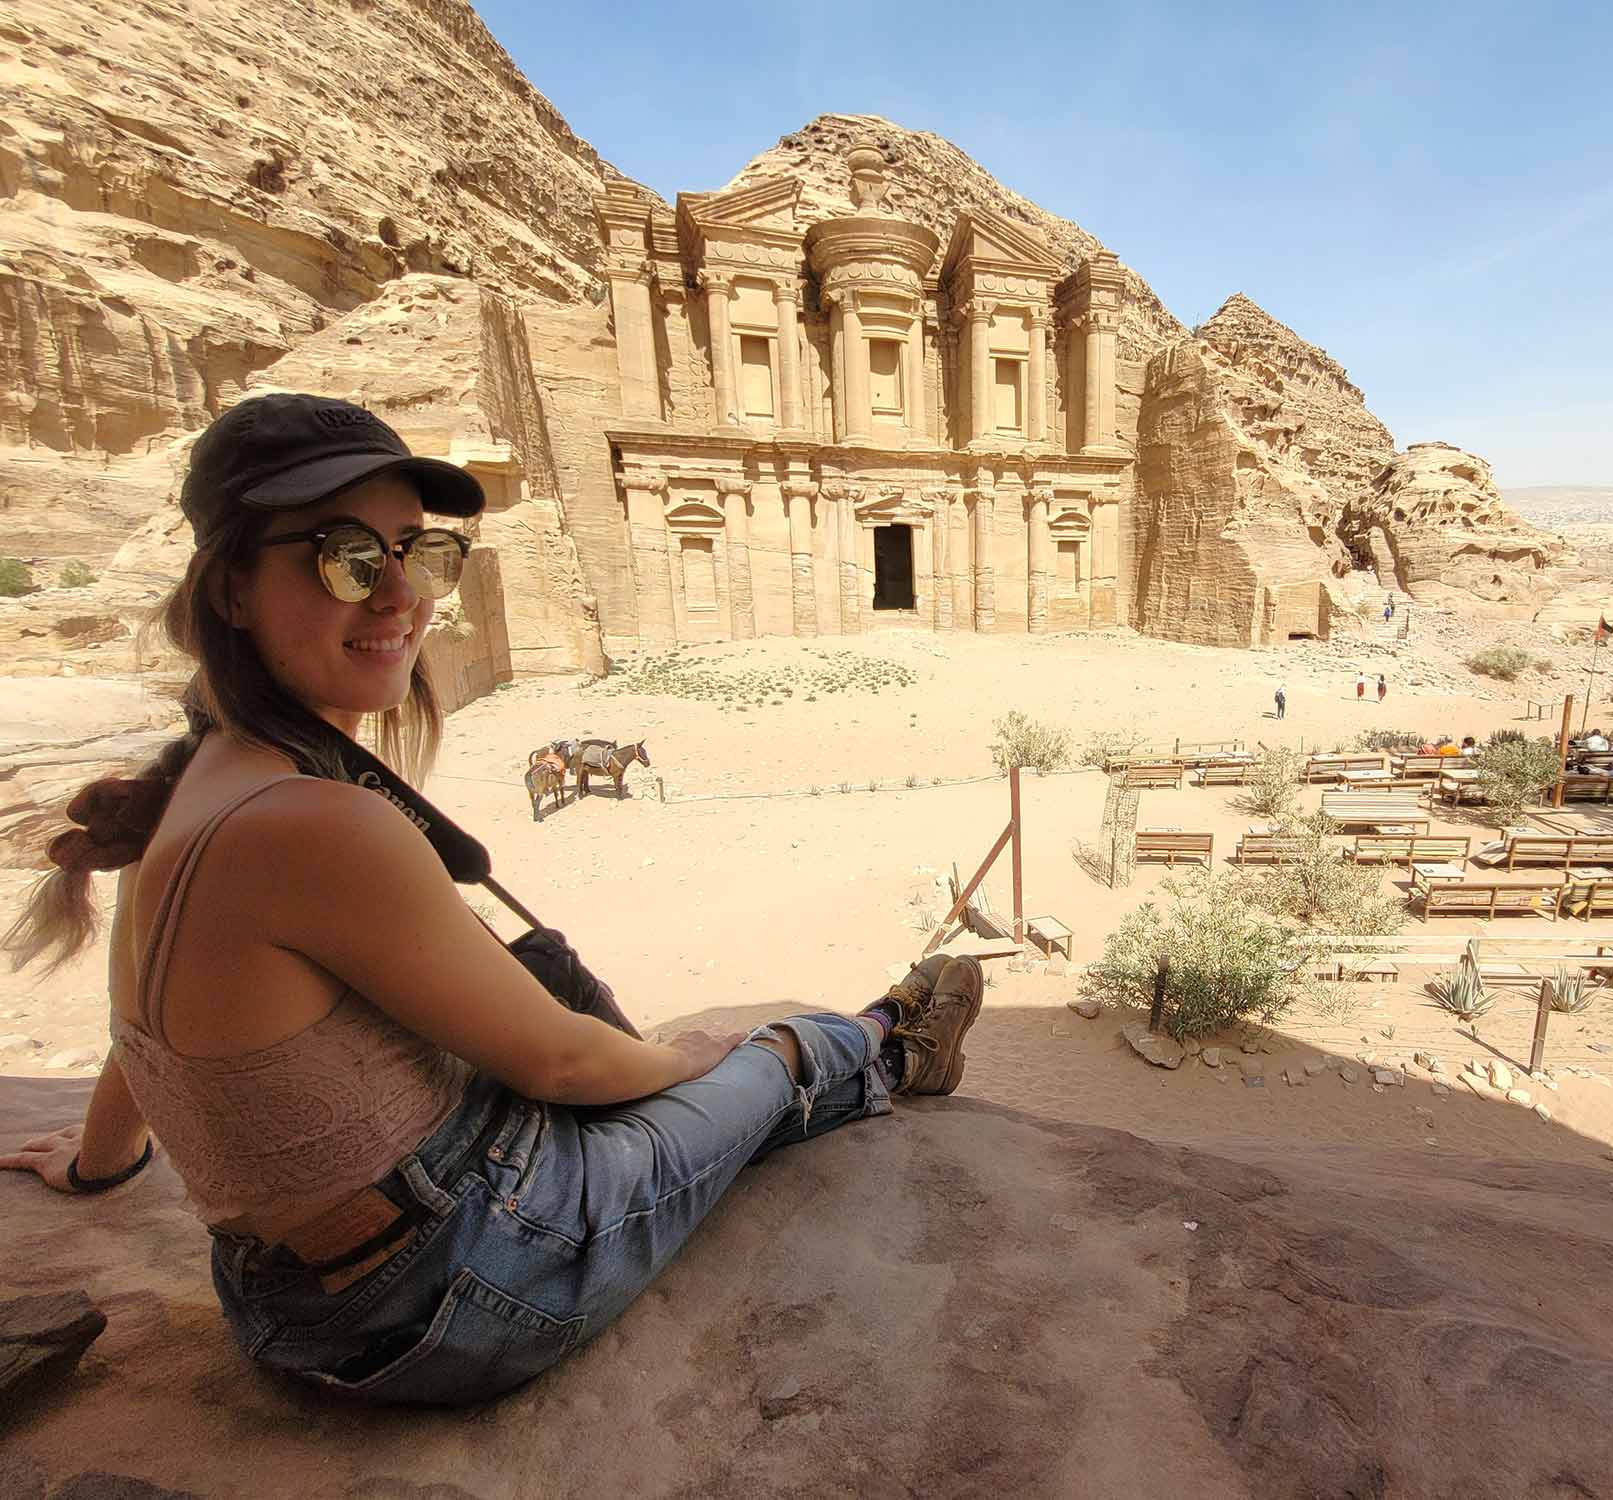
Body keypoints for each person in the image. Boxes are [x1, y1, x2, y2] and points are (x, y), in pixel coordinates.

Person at [0, 394, 986, 1407]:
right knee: (776, 1047)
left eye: (418, 554)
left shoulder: (206, 776)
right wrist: (694, 1061)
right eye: (343, 555)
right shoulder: (308, 820)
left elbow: (140, 1022)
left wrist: (99, 1165)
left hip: (290, 1297)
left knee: (678, 1088)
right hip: (454, 1287)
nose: (398, 597)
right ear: (233, 590)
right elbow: (562, 1062)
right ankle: (885, 1044)